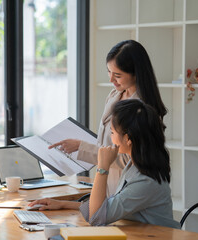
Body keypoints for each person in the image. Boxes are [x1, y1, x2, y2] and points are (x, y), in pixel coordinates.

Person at [28, 99, 180, 229]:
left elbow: (96, 217)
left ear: (127, 139)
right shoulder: (135, 165)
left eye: (112, 132)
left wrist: (103, 166)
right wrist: (62, 204)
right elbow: (106, 208)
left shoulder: (145, 180)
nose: (110, 137)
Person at [49, 39, 167, 196]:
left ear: (136, 73)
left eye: (117, 75)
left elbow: (131, 159)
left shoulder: (142, 109)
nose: (111, 79)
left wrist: (83, 147)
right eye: (109, 72)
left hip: (127, 188)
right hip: (107, 181)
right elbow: (106, 143)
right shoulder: (114, 95)